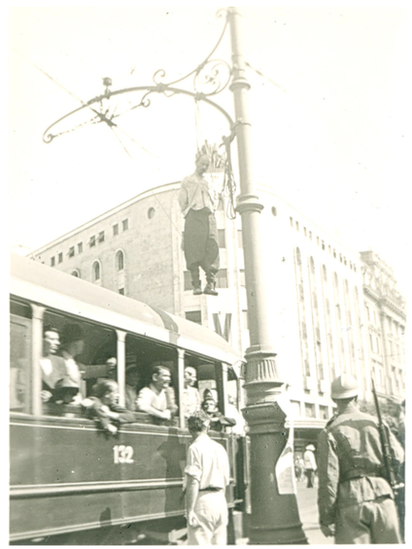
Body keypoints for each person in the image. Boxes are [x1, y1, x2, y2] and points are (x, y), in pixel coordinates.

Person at [317, 374, 404, 544]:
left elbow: (329, 480)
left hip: (350, 499)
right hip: (383, 494)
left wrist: (326, 518)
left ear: (334, 400)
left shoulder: (329, 432)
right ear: (356, 397)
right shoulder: (377, 423)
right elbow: (399, 457)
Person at [184, 410, 230, 548]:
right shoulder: (219, 448)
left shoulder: (194, 448)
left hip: (203, 501)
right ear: (207, 427)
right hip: (220, 501)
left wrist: (190, 510)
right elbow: (225, 479)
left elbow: (193, 482)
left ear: (190, 428)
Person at [178, 153, 220, 296]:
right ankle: (196, 284)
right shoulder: (187, 181)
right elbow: (182, 202)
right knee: (193, 248)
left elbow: (215, 199)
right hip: (194, 216)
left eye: (207, 165)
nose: (204, 167)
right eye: (202, 164)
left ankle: (211, 284)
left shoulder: (209, 182)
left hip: (208, 216)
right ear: (196, 162)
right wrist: (190, 210)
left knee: (212, 246)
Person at [40, 325, 67, 403]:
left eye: (57, 340)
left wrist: (52, 395)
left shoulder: (60, 362)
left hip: (55, 409)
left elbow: (65, 388)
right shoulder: (26, 361)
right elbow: (20, 390)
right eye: (52, 339)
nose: (57, 343)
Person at [60, 323, 85, 402]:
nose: (84, 344)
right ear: (75, 343)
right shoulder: (61, 360)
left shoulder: (71, 361)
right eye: (82, 340)